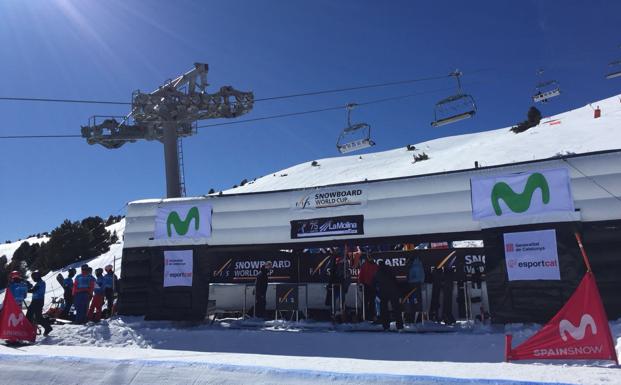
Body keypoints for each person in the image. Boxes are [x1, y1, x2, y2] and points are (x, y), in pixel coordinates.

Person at [375, 261, 403, 331]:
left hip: (383, 292)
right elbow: (395, 280)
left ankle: (386, 326)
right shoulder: (390, 270)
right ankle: (399, 326)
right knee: (396, 309)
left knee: (384, 309)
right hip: (393, 291)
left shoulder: (378, 272)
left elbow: (375, 282)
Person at [26, 271, 53, 336]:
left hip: (38, 301)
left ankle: (29, 331)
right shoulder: (38, 283)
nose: (33, 279)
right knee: (34, 317)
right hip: (36, 301)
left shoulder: (41, 283)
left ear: (37, 276)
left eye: (33, 277)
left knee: (31, 316)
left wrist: (25, 288)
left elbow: (33, 290)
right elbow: (33, 289)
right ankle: (47, 328)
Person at [358, 256, 379, 321]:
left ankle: (372, 316)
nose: (371, 258)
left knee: (372, 302)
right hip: (366, 285)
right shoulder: (365, 265)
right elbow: (360, 276)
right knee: (365, 302)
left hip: (373, 286)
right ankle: (363, 316)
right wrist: (360, 284)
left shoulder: (375, 266)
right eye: (370, 257)